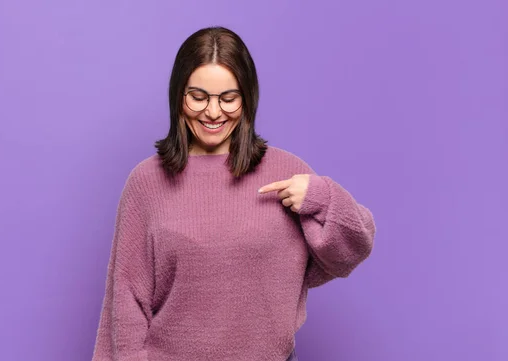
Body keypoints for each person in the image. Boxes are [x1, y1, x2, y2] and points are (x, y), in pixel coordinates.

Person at [91, 26, 376, 361]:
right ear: (178, 96)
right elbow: (126, 299)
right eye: (198, 97)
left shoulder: (286, 172)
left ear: (247, 98)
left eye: (228, 99)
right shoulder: (147, 182)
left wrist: (322, 197)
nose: (213, 113)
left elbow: (353, 247)